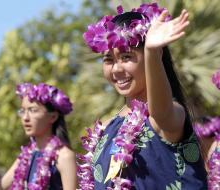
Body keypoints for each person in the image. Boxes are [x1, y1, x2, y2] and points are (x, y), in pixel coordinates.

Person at [78, 3, 207, 189]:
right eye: (109, 60)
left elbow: (161, 113)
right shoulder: (106, 128)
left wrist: (152, 52)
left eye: (126, 57)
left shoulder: (169, 114)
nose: (116, 69)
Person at [0, 83, 77, 190]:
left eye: (33, 110)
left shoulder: (64, 156)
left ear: (53, 117)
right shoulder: (27, 156)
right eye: (22, 111)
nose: (25, 118)